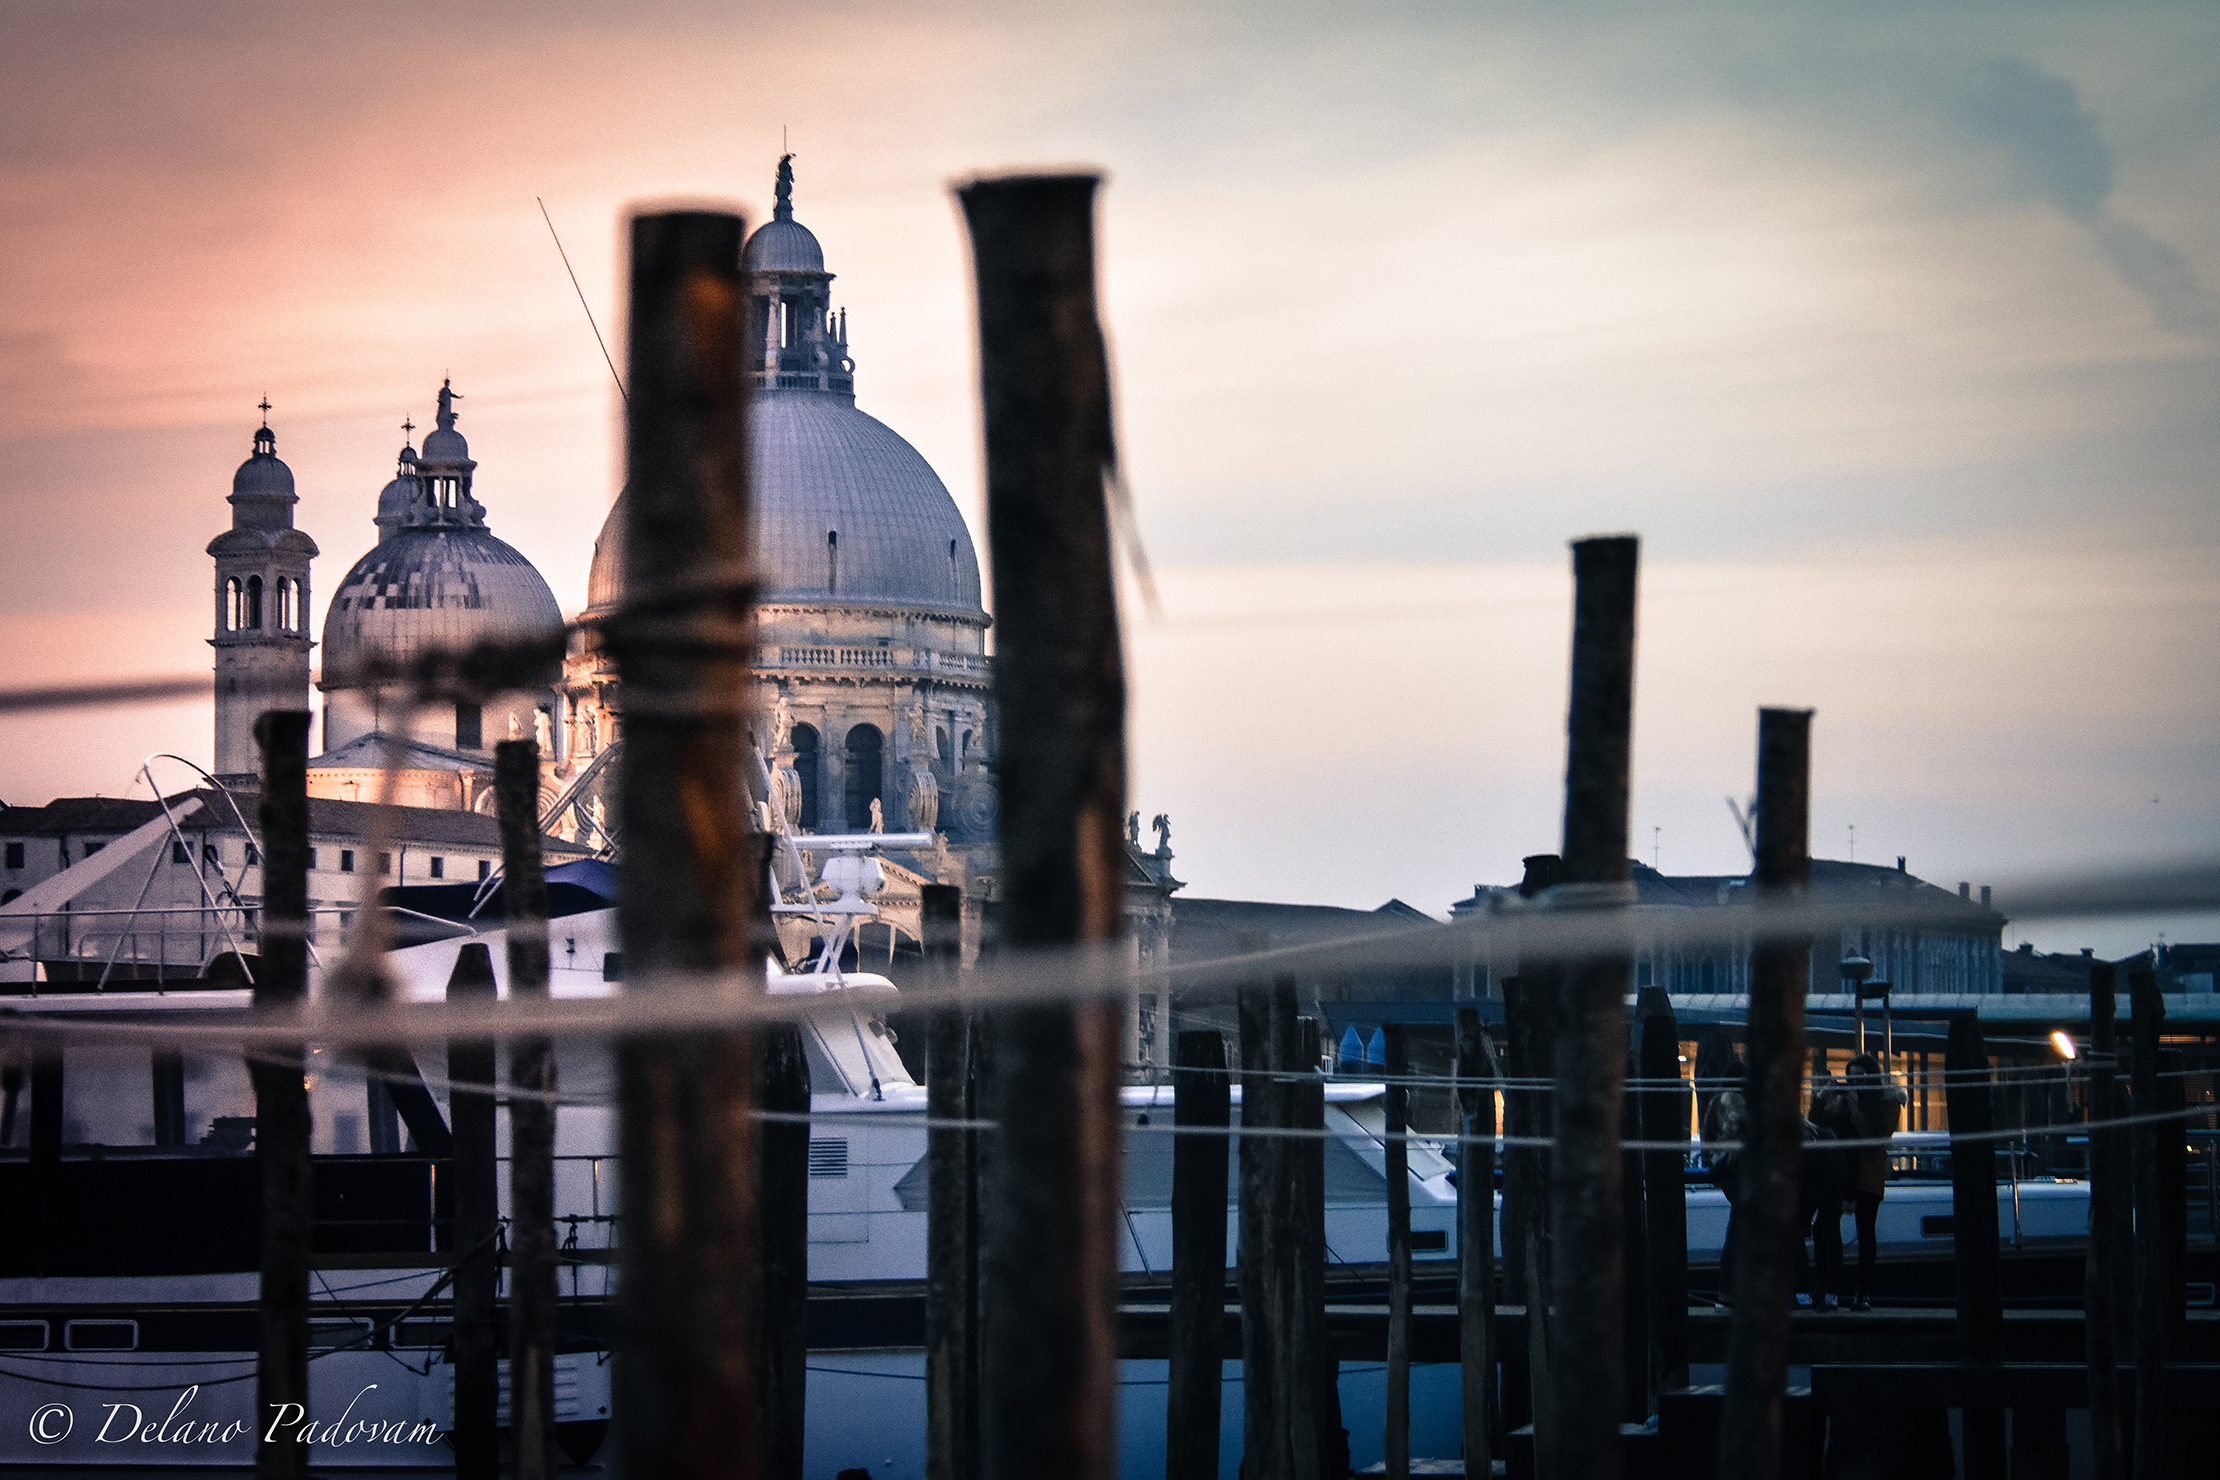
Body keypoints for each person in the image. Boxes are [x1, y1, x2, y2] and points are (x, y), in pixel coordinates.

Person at [1826, 1052, 1907, 1310]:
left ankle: (1863, 1293)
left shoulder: (1887, 1102)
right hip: (1840, 1174)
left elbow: (1877, 1142)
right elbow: (1822, 1126)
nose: (1855, 1083)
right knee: (1826, 1230)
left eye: (1860, 1078)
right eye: (1851, 1078)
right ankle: (1830, 1292)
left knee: (1866, 1234)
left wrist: (1856, 1111)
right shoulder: (1844, 1100)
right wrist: (1823, 1099)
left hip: (1868, 1175)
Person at [1702, 1061, 1750, 1301]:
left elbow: (1708, 1141)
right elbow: (1742, 1127)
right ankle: (1733, 1292)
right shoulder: (1736, 1102)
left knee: (1737, 1229)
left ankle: (1727, 1292)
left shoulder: (1714, 1103)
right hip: (1738, 1170)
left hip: (1726, 1173)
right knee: (1742, 1230)